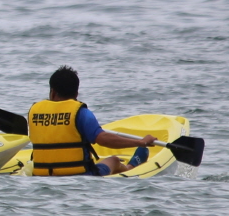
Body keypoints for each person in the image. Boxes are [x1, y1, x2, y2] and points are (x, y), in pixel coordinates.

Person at [26, 66, 161, 176]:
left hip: (42, 177)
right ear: (76, 94)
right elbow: (103, 139)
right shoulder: (81, 113)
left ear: (53, 92)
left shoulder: (34, 111)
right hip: (81, 177)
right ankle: (131, 166)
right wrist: (140, 142)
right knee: (113, 160)